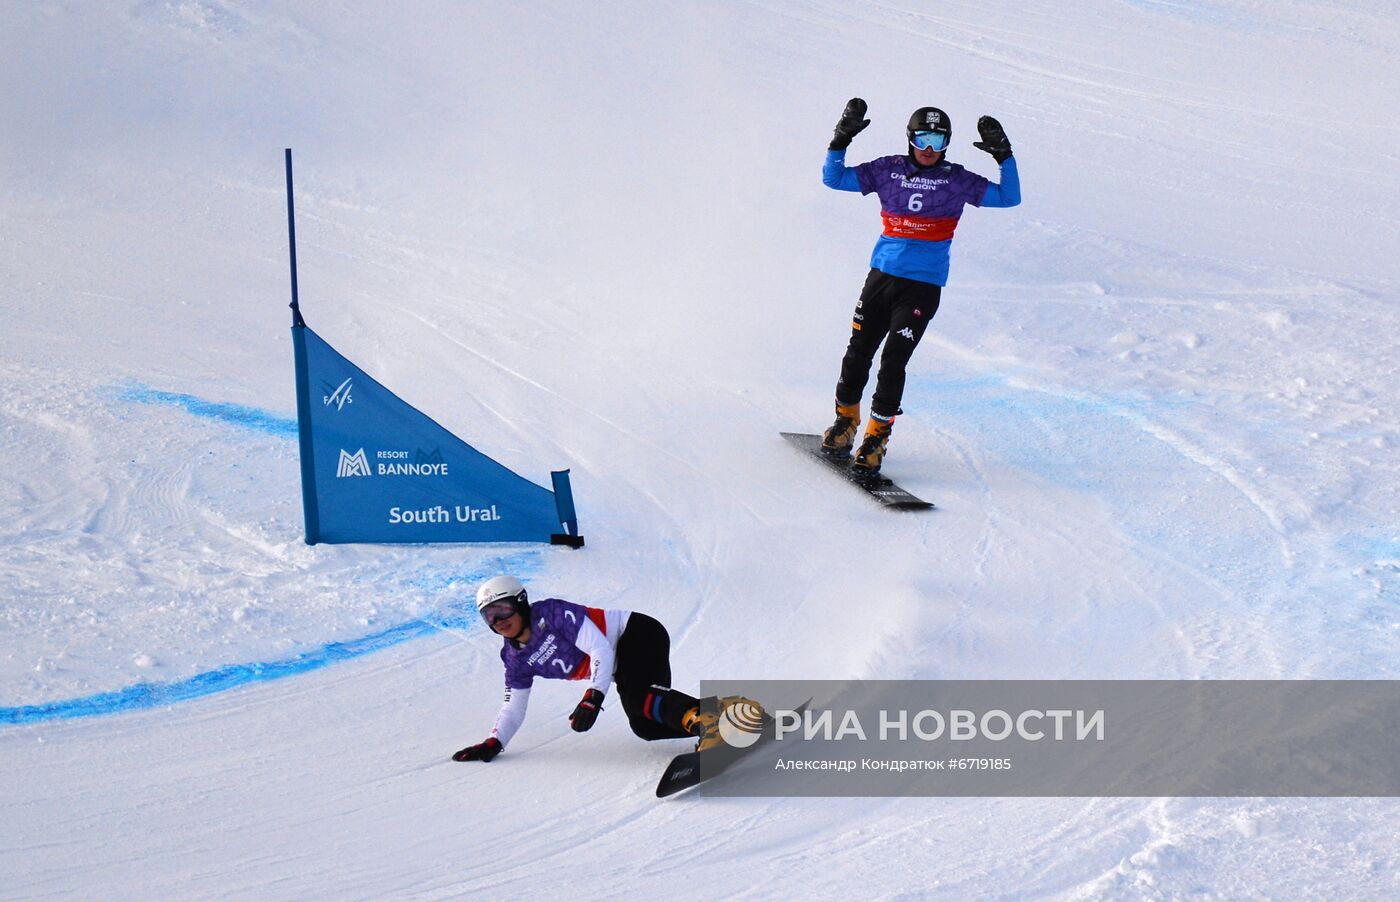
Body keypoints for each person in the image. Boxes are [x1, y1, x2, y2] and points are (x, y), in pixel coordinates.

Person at [819, 98, 1021, 474]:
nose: (930, 149)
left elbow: (1010, 198)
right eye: (924, 138)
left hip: (922, 286)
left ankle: (876, 439)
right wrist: (839, 141)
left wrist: (1004, 157)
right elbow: (834, 179)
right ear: (910, 138)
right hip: (882, 276)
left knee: (894, 359)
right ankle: (845, 423)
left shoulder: (956, 179)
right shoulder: (887, 169)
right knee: (858, 351)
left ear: (947, 143)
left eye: (939, 140)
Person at [451, 575, 727, 762]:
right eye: (489, 615)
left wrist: (593, 696)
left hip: (636, 633)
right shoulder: (514, 659)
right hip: (619, 665)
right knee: (645, 726)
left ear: (521, 602)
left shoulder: (552, 613)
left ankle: (712, 725)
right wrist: (494, 743)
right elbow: (513, 707)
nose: (498, 620)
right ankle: (728, 719)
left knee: (641, 698)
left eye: (503, 609)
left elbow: (599, 648)